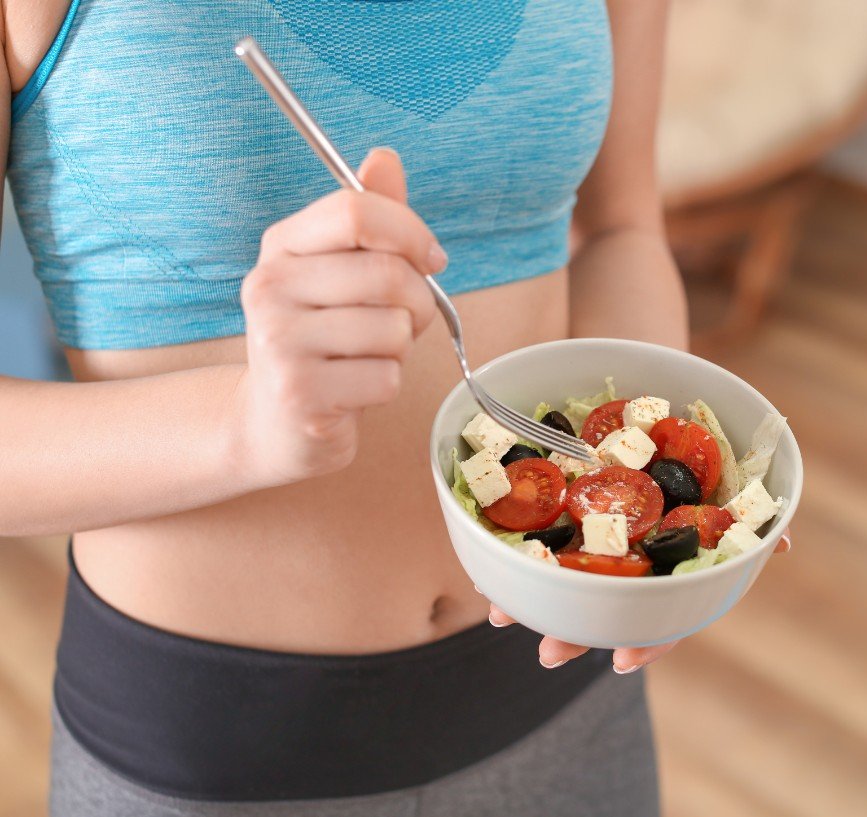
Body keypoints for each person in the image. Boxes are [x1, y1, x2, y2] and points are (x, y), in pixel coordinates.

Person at [1, 0, 792, 814]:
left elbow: (620, 226)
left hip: (564, 684)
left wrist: (654, 509)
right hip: (218, 750)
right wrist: (243, 425)